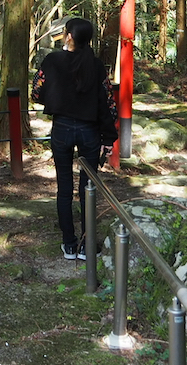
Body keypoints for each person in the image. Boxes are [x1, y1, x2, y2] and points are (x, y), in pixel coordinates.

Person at [31, 16, 118, 260]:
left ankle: (68, 243)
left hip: (62, 129)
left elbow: (36, 91)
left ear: (69, 36)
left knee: (64, 188)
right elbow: (107, 103)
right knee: (88, 188)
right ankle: (86, 244)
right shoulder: (96, 65)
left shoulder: (52, 61)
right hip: (90, 131)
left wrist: (56, 95)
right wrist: (109, 138)